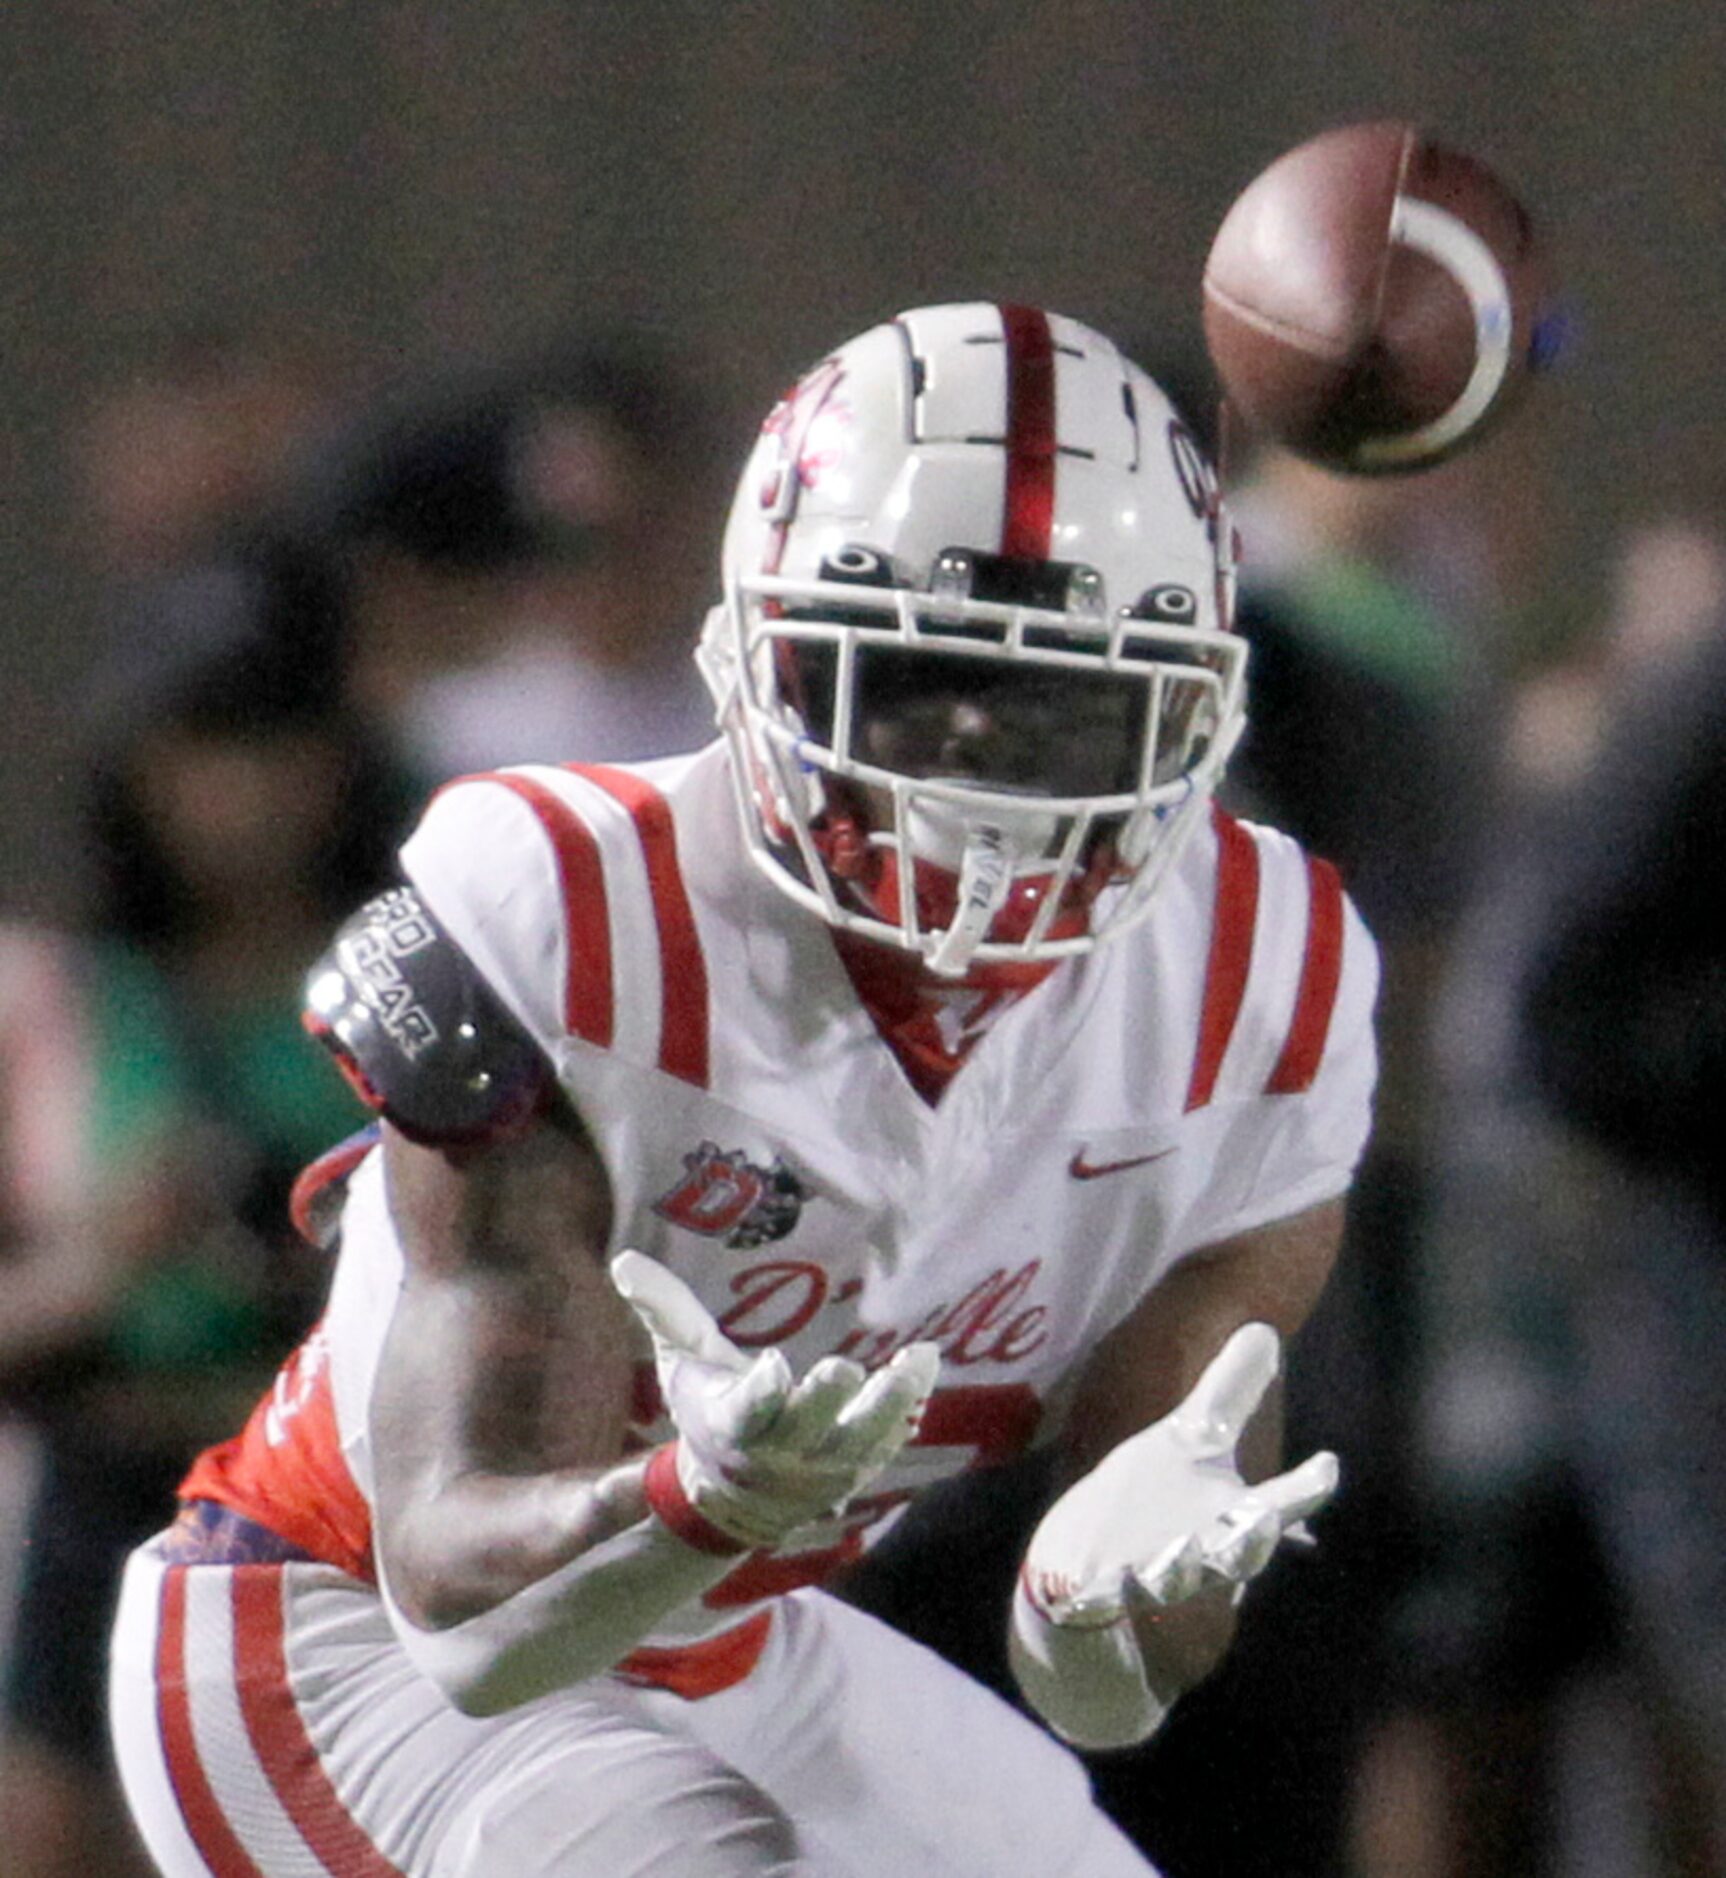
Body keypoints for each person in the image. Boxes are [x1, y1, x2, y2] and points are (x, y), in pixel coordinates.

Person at [107, 304, 1379, 1877]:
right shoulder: (571, 908)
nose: (977, 791)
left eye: (1061, 711)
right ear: (760, 662)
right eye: (913, 687)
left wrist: (1100, 1599)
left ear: (1183, 715)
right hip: (334, 1636)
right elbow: (464, 1607)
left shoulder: (1263, 984)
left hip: (725, 1644)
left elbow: (1103, 1687)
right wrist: (696, 1497)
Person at [0, 556, 409, 1878]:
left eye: (278, 743)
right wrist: (111, 1250)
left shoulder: (400, 992)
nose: (244, 794)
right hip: (106, 1487)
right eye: (206, 746)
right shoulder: (54, 1001)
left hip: (325, 1511)